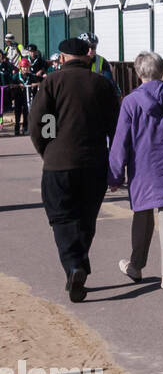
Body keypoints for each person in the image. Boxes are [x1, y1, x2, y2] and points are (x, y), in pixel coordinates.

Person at [28, 38, 120, 302]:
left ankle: (75, 265)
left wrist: (48, 148)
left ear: (63, 57)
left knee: (61, 217)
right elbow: (115, 127)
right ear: (88, 58)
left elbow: (42, 121)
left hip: (59, 163)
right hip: (94, 163)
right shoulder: (102, 84)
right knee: (86, 218)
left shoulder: (52, 82)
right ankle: (77, 268)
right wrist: (115, 161)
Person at [107, 51, 163, 292]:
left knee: (142, 214)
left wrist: (115, 174)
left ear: (139, 74)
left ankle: (136, 265)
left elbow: (121, 141)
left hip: (143, 167)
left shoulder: (130, 102)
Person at [77, 32, 120, 98]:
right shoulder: (72, 61)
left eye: (93, 47)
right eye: (86, 47)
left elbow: (109, 83)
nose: (90, 50)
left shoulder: (101, 61)